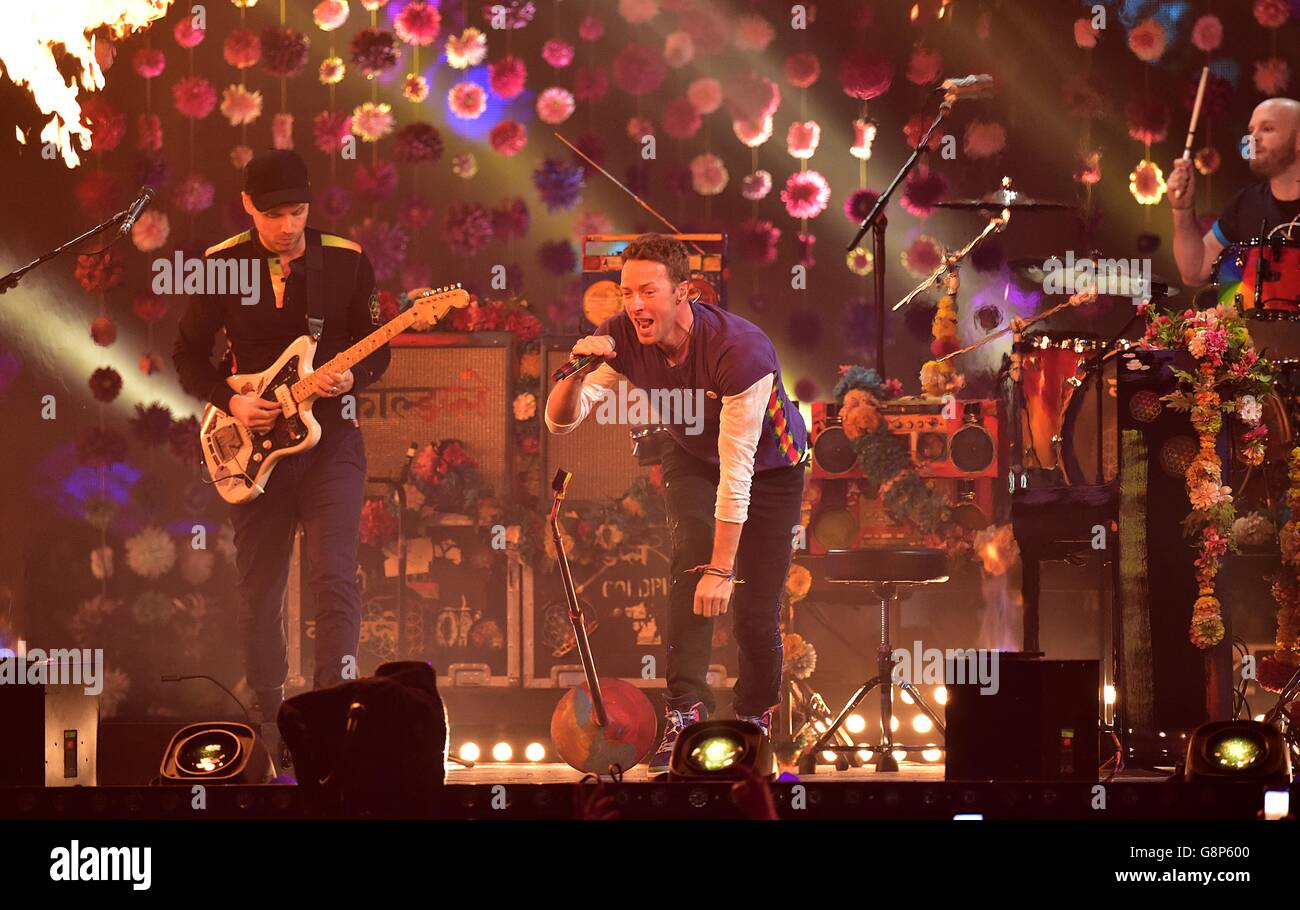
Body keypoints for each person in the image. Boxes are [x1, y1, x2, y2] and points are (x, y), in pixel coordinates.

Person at [544, 233, 808, 774]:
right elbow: (562, 419)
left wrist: (723, 569)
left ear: (683, 292)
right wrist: (574, 370)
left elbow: (737, 469)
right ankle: (685, 713)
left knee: (755, 610)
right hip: (690, 454)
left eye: (648, 292)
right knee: (690, 563)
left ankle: (754, 721)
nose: (635, 305)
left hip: (771, 466)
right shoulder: (621, 335)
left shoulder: (741, 350)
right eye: (625, 293)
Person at [172, 149, 391, 755]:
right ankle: (271, 723)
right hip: (251, 448)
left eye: (297, 212)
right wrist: (231, 400)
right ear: (247, 206)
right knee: (259, 591)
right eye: (273, 216)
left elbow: (378, 351)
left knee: (334, 578)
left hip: (332, 443)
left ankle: (333, 717)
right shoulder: (220, 264)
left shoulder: (345, 260)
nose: (288, 226)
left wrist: (353, 379)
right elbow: (186, 355)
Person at [1169, 97, 1300, 288]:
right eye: (1251, 130)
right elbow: (1195, 271)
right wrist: (1182, 210)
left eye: (1267, 128)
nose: (1253, 138)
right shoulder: (1247, 202)